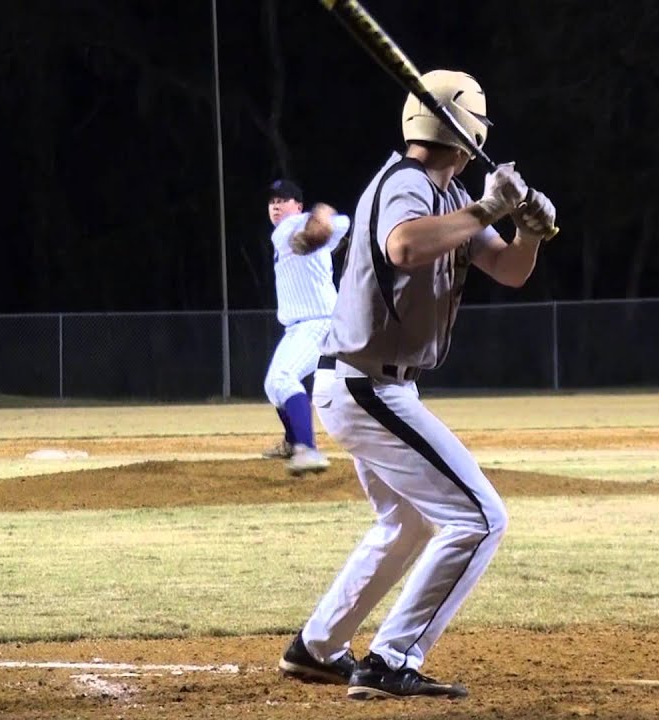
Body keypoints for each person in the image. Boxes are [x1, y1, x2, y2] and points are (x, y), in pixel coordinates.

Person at [275, 69, 557, 701]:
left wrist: (529, 231)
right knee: (481, 518)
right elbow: (403, 247)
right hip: (367, 386)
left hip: (373, 386)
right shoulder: (407, 183)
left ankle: (318, 647)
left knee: (406, 525)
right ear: (467, 133)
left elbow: (509, 268)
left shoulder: (446, 195)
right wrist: (490, 207)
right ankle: (392, 658)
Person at [260, 179, 351, 475]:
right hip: (301, 326)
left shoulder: (293, 224)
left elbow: (340, 223)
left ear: (298, 206)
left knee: (284, 377)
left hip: (316, 323)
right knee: (274, 387)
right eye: (272, 201)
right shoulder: (293, 230)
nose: (276, 205)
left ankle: (308, 450)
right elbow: (343, 225)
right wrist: (323, 223)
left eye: (283, 200)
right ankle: (292, 442)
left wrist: (321, 214)